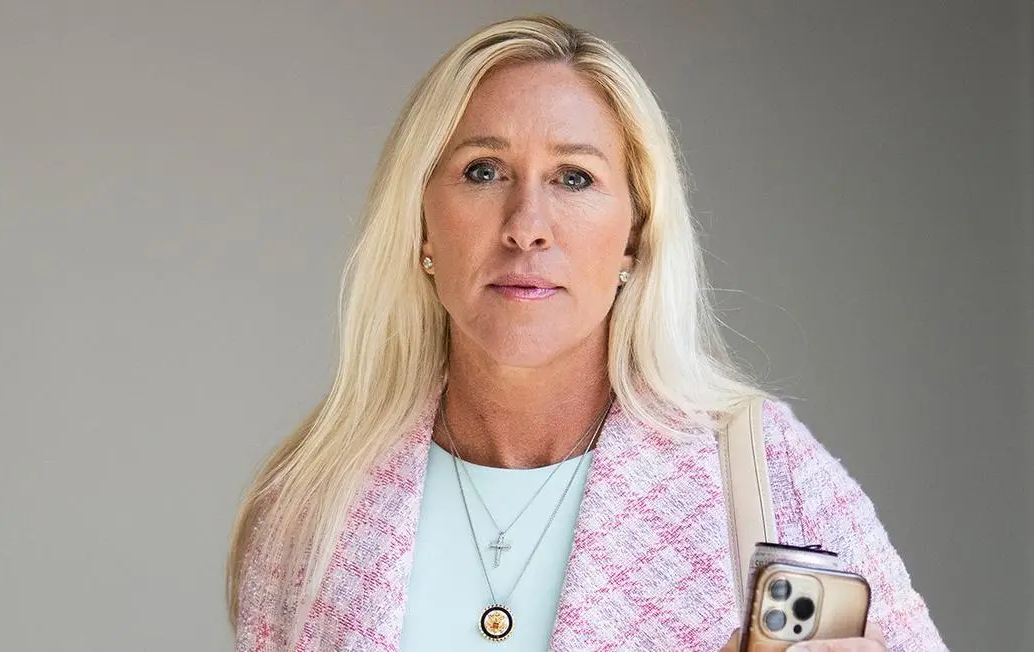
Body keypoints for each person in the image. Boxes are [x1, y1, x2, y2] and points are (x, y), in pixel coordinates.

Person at [227, 14, 945, 652]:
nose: (526, 226)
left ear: (634, 234)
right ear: (420, 222)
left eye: (573, 178)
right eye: (483, 171)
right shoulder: (311, 507)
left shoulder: (767, 473)